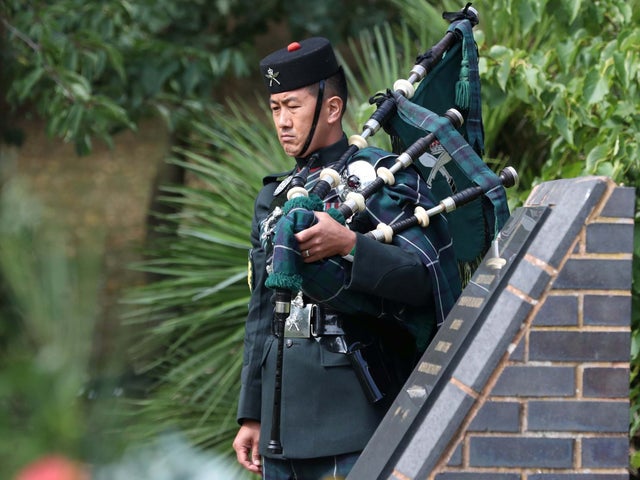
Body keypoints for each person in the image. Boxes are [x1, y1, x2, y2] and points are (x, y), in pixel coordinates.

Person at [232, 37, 458, 479]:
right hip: (281, 417)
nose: (282, 121)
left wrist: (350, 245)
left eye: (293, 106)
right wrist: (252, 413)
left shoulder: (381, 175)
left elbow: (424, 280)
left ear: (332, 108)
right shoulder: (273, 198)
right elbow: (262, 311)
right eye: (275, 108)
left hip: (354, 411)